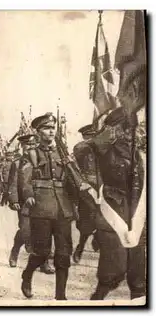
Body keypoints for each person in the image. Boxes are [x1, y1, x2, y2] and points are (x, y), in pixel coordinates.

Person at [19, 112, 81, 300]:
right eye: (46, 128)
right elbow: (24, 177)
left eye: (53, 128)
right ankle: (27, 274)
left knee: (63, 255)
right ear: (38, 132)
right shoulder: (31, 154)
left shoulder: (63, 153)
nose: (51, 131)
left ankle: (60, 296)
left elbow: (75, 179)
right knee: (42, 252)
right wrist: (28, 194)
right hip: (42, 207)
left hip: (63, 208)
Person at [88, 107, 146, 300]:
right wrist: (110, 131)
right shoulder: (106, 151)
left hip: (135, 214)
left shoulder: (140, 155)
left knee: (138, 275)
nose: (132, 133)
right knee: (113, 273)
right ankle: (96, 301)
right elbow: (85, 147)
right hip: (114, 212)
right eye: (127, 129)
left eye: (133, 129)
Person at [7, 134, 37, 267]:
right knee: (25, 230)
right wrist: (13, 200)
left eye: (32, 145)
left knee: (43, 231)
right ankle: (15, 251)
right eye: (27, 145)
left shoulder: (41, 161)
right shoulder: (17, 163)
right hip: (23, 202)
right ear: (22, 146)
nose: (30, 147)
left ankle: (44, 262)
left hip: (41, 201)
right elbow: (12, 183)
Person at [72, 124, 100, 263]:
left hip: (102, 187)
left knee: (104, 218)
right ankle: (81, 247)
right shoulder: (80, 147)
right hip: (86, 188)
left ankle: (98, 238)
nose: (92, 138)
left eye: (94, 136)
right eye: (89, 136)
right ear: (85, 136)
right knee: (87, 220)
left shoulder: (102, 148)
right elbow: (79, 151)